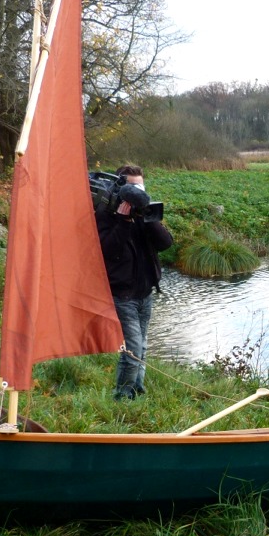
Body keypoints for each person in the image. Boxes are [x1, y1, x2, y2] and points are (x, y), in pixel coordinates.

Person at [95, 165, 173, 400]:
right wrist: (123, 221)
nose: (138, 192)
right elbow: (108, 250)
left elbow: (165, 243)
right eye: (133, 188)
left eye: (141, 187)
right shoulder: (105, 215)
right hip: (123, 294)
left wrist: (149, 219)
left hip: (144, 292)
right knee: (133, 349)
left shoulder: (145, 215)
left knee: (143, 346)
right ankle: (122, 397)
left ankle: (137, 389)